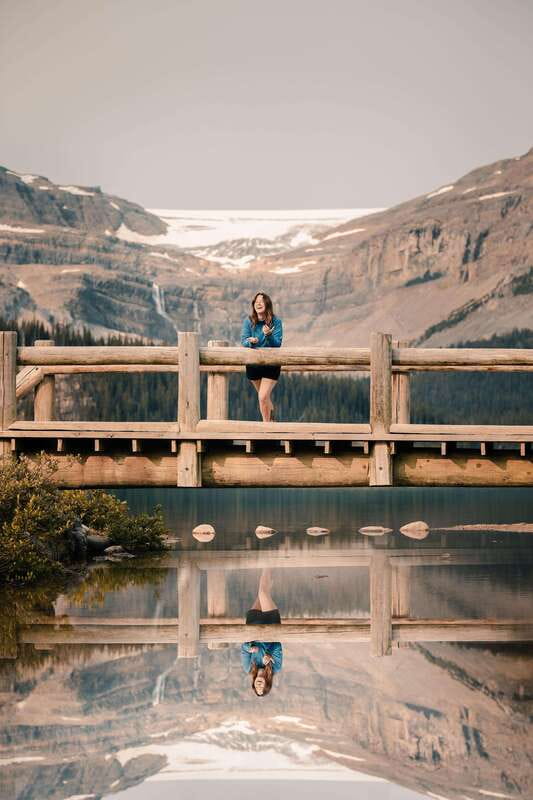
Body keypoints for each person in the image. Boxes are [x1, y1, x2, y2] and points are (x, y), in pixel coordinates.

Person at [240, 292, 283, 422]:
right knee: (264, 397)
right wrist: (251, 342)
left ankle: (266, 427)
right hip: (253, 364)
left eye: (261, 301)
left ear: (267, 304)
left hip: (271, 364)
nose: (258, 303)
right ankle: (272, 422)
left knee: (263, 397)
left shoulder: (276, 322)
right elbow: (244, 340)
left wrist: (269, 335)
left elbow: (277, 344)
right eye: (256, 301)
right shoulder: (248, 321)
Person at [241, 569, 283, 696]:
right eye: (262, 688)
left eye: (256, 687)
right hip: (271, 624)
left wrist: (249, 648)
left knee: (263, 592)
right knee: (262, 593)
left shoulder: (248, 668)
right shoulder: (276, 668)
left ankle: (270, 570)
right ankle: (266, 562)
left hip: (253, 623)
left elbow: (243, 648)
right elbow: (278, 645)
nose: (259, 685)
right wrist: (269, 655)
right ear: (267, 684)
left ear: (253, 683)